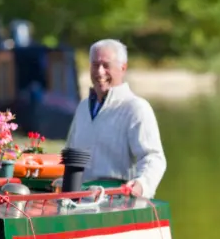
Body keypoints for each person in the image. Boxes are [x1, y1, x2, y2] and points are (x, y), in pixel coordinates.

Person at [64, 39, 167, 198]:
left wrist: (141, 184)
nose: (99, 72)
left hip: (119, 202)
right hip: (80, 201)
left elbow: (153, 158)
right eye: (95, 65)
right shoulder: (83, 108)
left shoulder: (136, 108)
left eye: (106, 65)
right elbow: (70, 156)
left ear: (122, 68)